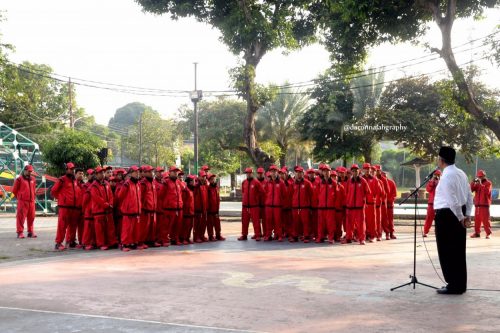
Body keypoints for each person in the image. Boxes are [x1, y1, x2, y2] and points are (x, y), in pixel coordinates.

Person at [433, 146, 473, 295]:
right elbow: (469, 196)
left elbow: (452, 200)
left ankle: (453, 285)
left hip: (448, 216)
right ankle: (460, 284)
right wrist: (467, 214)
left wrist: (461, 218)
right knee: (458, 250)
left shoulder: (447, 176)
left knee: (447, 250)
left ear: (441, 160)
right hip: (459, 213)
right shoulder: (461, 173)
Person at [51, 162, 82, 250]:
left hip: (74, 207)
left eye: (73, 169)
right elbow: (53, 191)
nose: (72, 171)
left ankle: (70, 242)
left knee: (73, 226)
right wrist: (61, 199)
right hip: (64, 207)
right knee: (62, 226)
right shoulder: (62, 180)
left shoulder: (75, 180)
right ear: (67, 169)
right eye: (71, 169)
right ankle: (58, 243)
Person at [89, 166, 118, 251]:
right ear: (96, 174)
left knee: (110, 227)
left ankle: (112, 242)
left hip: (108, 210)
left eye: (103, 172)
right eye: (100, 173)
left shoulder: (107, 183)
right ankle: (101, 244)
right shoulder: (94, 186)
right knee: (100, 229)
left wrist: (111, 204)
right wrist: (107, 205)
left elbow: (111, 195)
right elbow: (97, 198)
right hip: (99, 211)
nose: (102, 174)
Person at [343, 164, 371, 245]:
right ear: (351, 172)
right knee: (349, 224)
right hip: (350, 206)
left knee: (361, 224)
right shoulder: (349, 182)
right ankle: (348, 238)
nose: (355, 172)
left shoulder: (363, 181)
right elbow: (346, 193)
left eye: (356, 170)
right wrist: (348, 202)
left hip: (359, 207)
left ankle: (362, 239)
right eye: (353, 171)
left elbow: (368, 192)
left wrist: (363, 201)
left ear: (359, 171)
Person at [116, 166, 142, 251]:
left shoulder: (138, 184)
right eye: (135, 172)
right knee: (127, 229)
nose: (137, 173)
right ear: (131, 173)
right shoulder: (127, 184)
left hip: (136, 210)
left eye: (138, 172)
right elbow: (120, 196)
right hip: (128, 211)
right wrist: (127, 205)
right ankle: (124, 244)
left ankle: (133, 243)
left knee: (135, 229)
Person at [239, 168, 265, 241]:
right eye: (247, 173)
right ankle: (244, 235)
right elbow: (243, 192)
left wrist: (256, 198)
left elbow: (262, 192)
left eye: (249, 173)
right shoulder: (244, 182)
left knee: (256, 221)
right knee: (244, 222)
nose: (248, 174)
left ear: (252, 173)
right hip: (245, 206)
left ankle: (257, 235)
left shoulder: (256, 182)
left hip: (254, 206)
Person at [12, 164, 37, 239]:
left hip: (31, 201)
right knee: (21, 217)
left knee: (32, 217)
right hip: (22, 201)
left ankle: (30, 232)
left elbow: (33, 189)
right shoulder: (19, 179)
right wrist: (20, 197)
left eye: (31, 171)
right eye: (29, 171)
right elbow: (14, 191)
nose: (30, 173)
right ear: (25, 170)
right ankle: (20, 232)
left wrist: (33, 196)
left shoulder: (33, 179)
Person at [291, 166, 313, 243]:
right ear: (295, 173)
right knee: (295, 222)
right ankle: (295, 236)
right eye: (297, 172)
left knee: (305, 222)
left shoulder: (307, 183)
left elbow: (311, 195)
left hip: (305, 207)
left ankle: (306, 236)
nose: (298, 174)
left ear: (303, 173)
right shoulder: (292, 183)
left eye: (300, 172)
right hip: (295, 206)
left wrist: (310, 206)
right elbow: (290, 195)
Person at [264, 165, 286, 241]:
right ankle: (268, 235)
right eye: (272, 171)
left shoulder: (281, 183)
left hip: (277, 205)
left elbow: (284, 194)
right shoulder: (267, 183)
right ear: (270, 173)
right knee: (268, 221)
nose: (273, 173)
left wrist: (280, 202)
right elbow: (265, 193)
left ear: (277, 172)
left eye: (275, 171)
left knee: (278, 221)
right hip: (269, 205)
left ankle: (279, 235)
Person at [470, 170, 492, 239]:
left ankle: (488, 233)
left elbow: (487, 192)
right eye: (478, 177)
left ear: (484, 176)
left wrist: (481, 185)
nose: (479, 178)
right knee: (477, 221)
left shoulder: (488, 183)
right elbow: (471, 189)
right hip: (477, 205)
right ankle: (477, 233)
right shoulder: (477, 184)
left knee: (486, 221)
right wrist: (473, 182)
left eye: (481, 176)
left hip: (484, 205)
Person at [207, 173, 225, 241]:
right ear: (209, 181)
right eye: (211, 179)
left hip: (216, 209)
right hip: (210, 210)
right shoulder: (208, 188)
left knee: (217, 223)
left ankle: (218, 235)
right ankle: (211, 236)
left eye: (214, 179)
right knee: (210, 224)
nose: (213, 181)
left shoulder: (216, 188)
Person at [423, 169, 441, 237]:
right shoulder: (431, 182)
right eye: (435, 175)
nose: (437, 176)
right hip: (431, 203)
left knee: (439, 219)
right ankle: (425, 231)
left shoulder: (442, 182)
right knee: (429, 218)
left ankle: (438, 231)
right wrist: (432, 181)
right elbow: (428, 189)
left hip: (439, 204)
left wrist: (438, 181)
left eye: (438, 175)